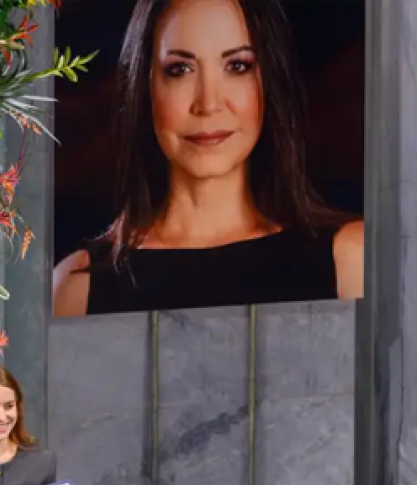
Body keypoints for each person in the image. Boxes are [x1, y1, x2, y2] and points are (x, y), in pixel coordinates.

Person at [52, 0, 364, 316]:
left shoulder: (349, 260)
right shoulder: (77, 288)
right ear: (145, 88)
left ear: (268, 82)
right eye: (180, 70)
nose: (208, 103)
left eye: (237, 66)